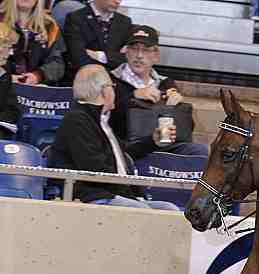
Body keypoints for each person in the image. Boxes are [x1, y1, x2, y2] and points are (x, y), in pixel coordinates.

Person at [49, 64, 179, 210]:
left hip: (118, 194)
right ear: (105, 90)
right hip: (93, 196)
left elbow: (124, 153)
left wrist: (153, 141)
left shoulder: (100, 120)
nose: (114, 91)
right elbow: (94, 168)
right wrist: (127, 189)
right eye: (112, 86)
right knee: (143, 212)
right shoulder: (78, 120)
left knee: (170, 209)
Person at [108, 25, 207, 157]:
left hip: (164, 144)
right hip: (128, 146)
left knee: (200, 151)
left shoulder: (166, 83)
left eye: (146, 50)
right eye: (134, 49)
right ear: (126, 52)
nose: (139, 56)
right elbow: (105, 119)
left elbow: (187, 128)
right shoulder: (111, 80)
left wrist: (174, 108)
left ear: (156, 56)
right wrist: (133, 96)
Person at [0, 0, 65, 85]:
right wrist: (5, 77)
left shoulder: (50, 26)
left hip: (34, 87)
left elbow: (57, 63)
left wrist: (38, 76)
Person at [62, 0, 130, 81]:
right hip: (82, 80)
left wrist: (99, 55)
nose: (117, 1)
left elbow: (126, 58)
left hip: (115, 82)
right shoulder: (75, 18)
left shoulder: (125, 21)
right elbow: (78, 57)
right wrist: (112, 59)